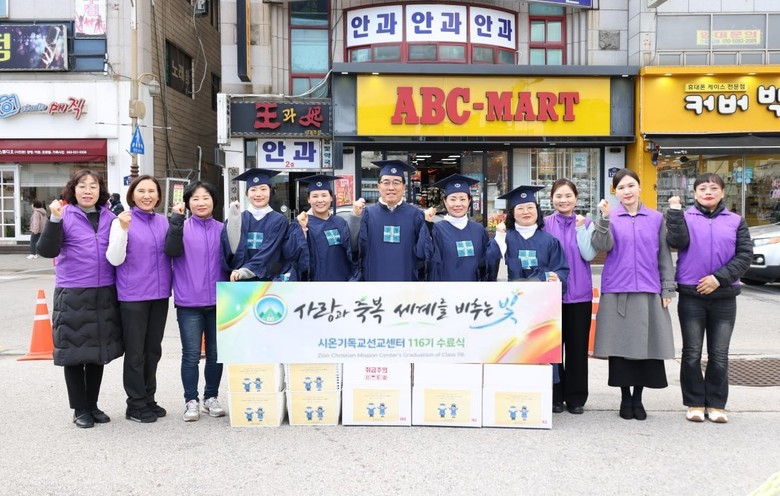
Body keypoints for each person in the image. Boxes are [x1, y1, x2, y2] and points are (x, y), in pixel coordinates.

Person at [36, 170, 123, 428]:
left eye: (93, 186)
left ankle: (93, 405)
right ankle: (79, 409)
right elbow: (46, 250)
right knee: (74, 354)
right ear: (73, 190)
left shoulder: (111, 218)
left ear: (100, 190)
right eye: (82, 186)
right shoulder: (64, 215)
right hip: (73, 291)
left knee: (98, 353)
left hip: (105, 291)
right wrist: (53, 219)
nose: (88, 190)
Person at [666, 173, 752, 423]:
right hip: (692, 295)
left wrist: (718, 278)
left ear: (723, 193)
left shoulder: (736, 221)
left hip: (724, 295)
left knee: (719, 353)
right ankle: (694, 402)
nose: (708, 192)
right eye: (702, 188)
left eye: (714, 188)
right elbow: (676, 242)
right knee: (692, 352)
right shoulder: (685, 216)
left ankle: (716, 404)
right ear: (694, 194)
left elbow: (744, 256)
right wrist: (674, 213)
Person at [591, 169, 675, 421]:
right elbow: (602, 246)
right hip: (618, 289)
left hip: (649, 290)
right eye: (621, 188)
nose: (626, 191)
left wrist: (667, 287)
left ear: (640, 188)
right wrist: (604, 219)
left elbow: (663, 255)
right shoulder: (610, 216)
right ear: (614, 192)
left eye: (631, 186)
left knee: (645, 348)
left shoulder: (656, 218)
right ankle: (624, 397)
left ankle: (638, 398)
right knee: (620, 348)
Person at [107, 174, 172, 423]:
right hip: (133, 294)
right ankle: (135, 403)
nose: (147, 196)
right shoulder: (122, 221)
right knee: (135, 352)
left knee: (153, 350)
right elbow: (114, 258)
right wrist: (123, 231)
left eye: (151, 191)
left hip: (159, 294)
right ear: (132, 195)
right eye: (141, 191)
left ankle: (148, 397)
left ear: (158, 195)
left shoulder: (163, 222)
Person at [498, 185, 569, 400]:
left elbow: (562, 272)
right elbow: (491, 267)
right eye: (520, 208)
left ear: (538, 211)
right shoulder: (505, 238)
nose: (526, 211)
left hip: (541, 311)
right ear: (512, 213)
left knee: (541, 350)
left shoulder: (550, 241)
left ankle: (544, 398)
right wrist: (499, 240)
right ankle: (509, 396)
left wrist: (553, 277)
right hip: (509, 310)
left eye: (530, 207)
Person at [165, 181, 228, 422]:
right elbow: (170, 251)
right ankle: (190, 400)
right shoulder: (180, 227)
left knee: (216, 353)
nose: (201, 203)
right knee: (191, 354)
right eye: (196, 199)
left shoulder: (223, 228)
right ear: (188, 202)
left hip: (220, 300)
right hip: (189, 302)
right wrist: (176, 220)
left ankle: (211, 397)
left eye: (206, 198)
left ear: (214, 201)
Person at [543, 179, 597, 415]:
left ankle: (576, 398)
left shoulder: (587, 223)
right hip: (551, 298)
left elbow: (589, 254)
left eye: (568, 196)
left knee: (577, 350)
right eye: (558, 196)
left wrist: (581, 228)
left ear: (576, 198)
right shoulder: (543, 225)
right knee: (553, 350)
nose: (563, 200)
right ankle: (555, 396)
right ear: (551, 199)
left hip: (579, 296)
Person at [348, 160, 431, 281]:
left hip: (406, 284)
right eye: (386, 183)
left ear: (404, 187)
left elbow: (423, 254)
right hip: (374, 282)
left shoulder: (416, 215)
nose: (391, 187)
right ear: (378, 186)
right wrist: (355, 217)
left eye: (396, 182)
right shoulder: (367, 214)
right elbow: (355, 249)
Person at [222, 168, 294, 282]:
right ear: (247, 193)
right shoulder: (239, 218)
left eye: (263, 189)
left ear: (271, 191)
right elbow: (229, 252)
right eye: (253, 190)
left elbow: (270, 251)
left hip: (267, 281)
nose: (258, 194)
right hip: (238, 281)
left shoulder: (279, 220)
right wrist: (233, 221)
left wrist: (245, 270)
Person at [425, 173, 501, 282]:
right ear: (445, 202)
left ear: (469, 201)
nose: (458, 204)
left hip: (473, 294)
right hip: (444, 293)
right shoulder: (435, 230)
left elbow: (487, 264)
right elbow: (427, 260)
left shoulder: (479, 230)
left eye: (462, 199)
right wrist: (426, 225)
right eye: (453, 199)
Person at [287, 174, 359, 281]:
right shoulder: (301, 223)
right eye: (315, 196)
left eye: (324, 195)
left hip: (341, 282)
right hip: (315, 285)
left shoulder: (340, 222)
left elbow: (352, 253)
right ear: (308, 199)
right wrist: (302, 229)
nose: (320, 200)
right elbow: (291, 254)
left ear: (331, 198)